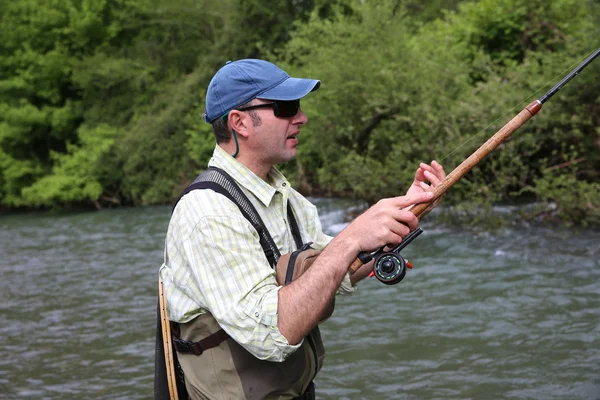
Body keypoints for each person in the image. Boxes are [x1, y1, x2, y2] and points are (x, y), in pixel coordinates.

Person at [159, 59, 446, 399]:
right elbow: (273, 335)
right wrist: (353, 235)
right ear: (239, 122)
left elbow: (337, 271)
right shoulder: (207, 213)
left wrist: (410, 212)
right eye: (286, 107)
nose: (302, 118)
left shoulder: (285, 197)